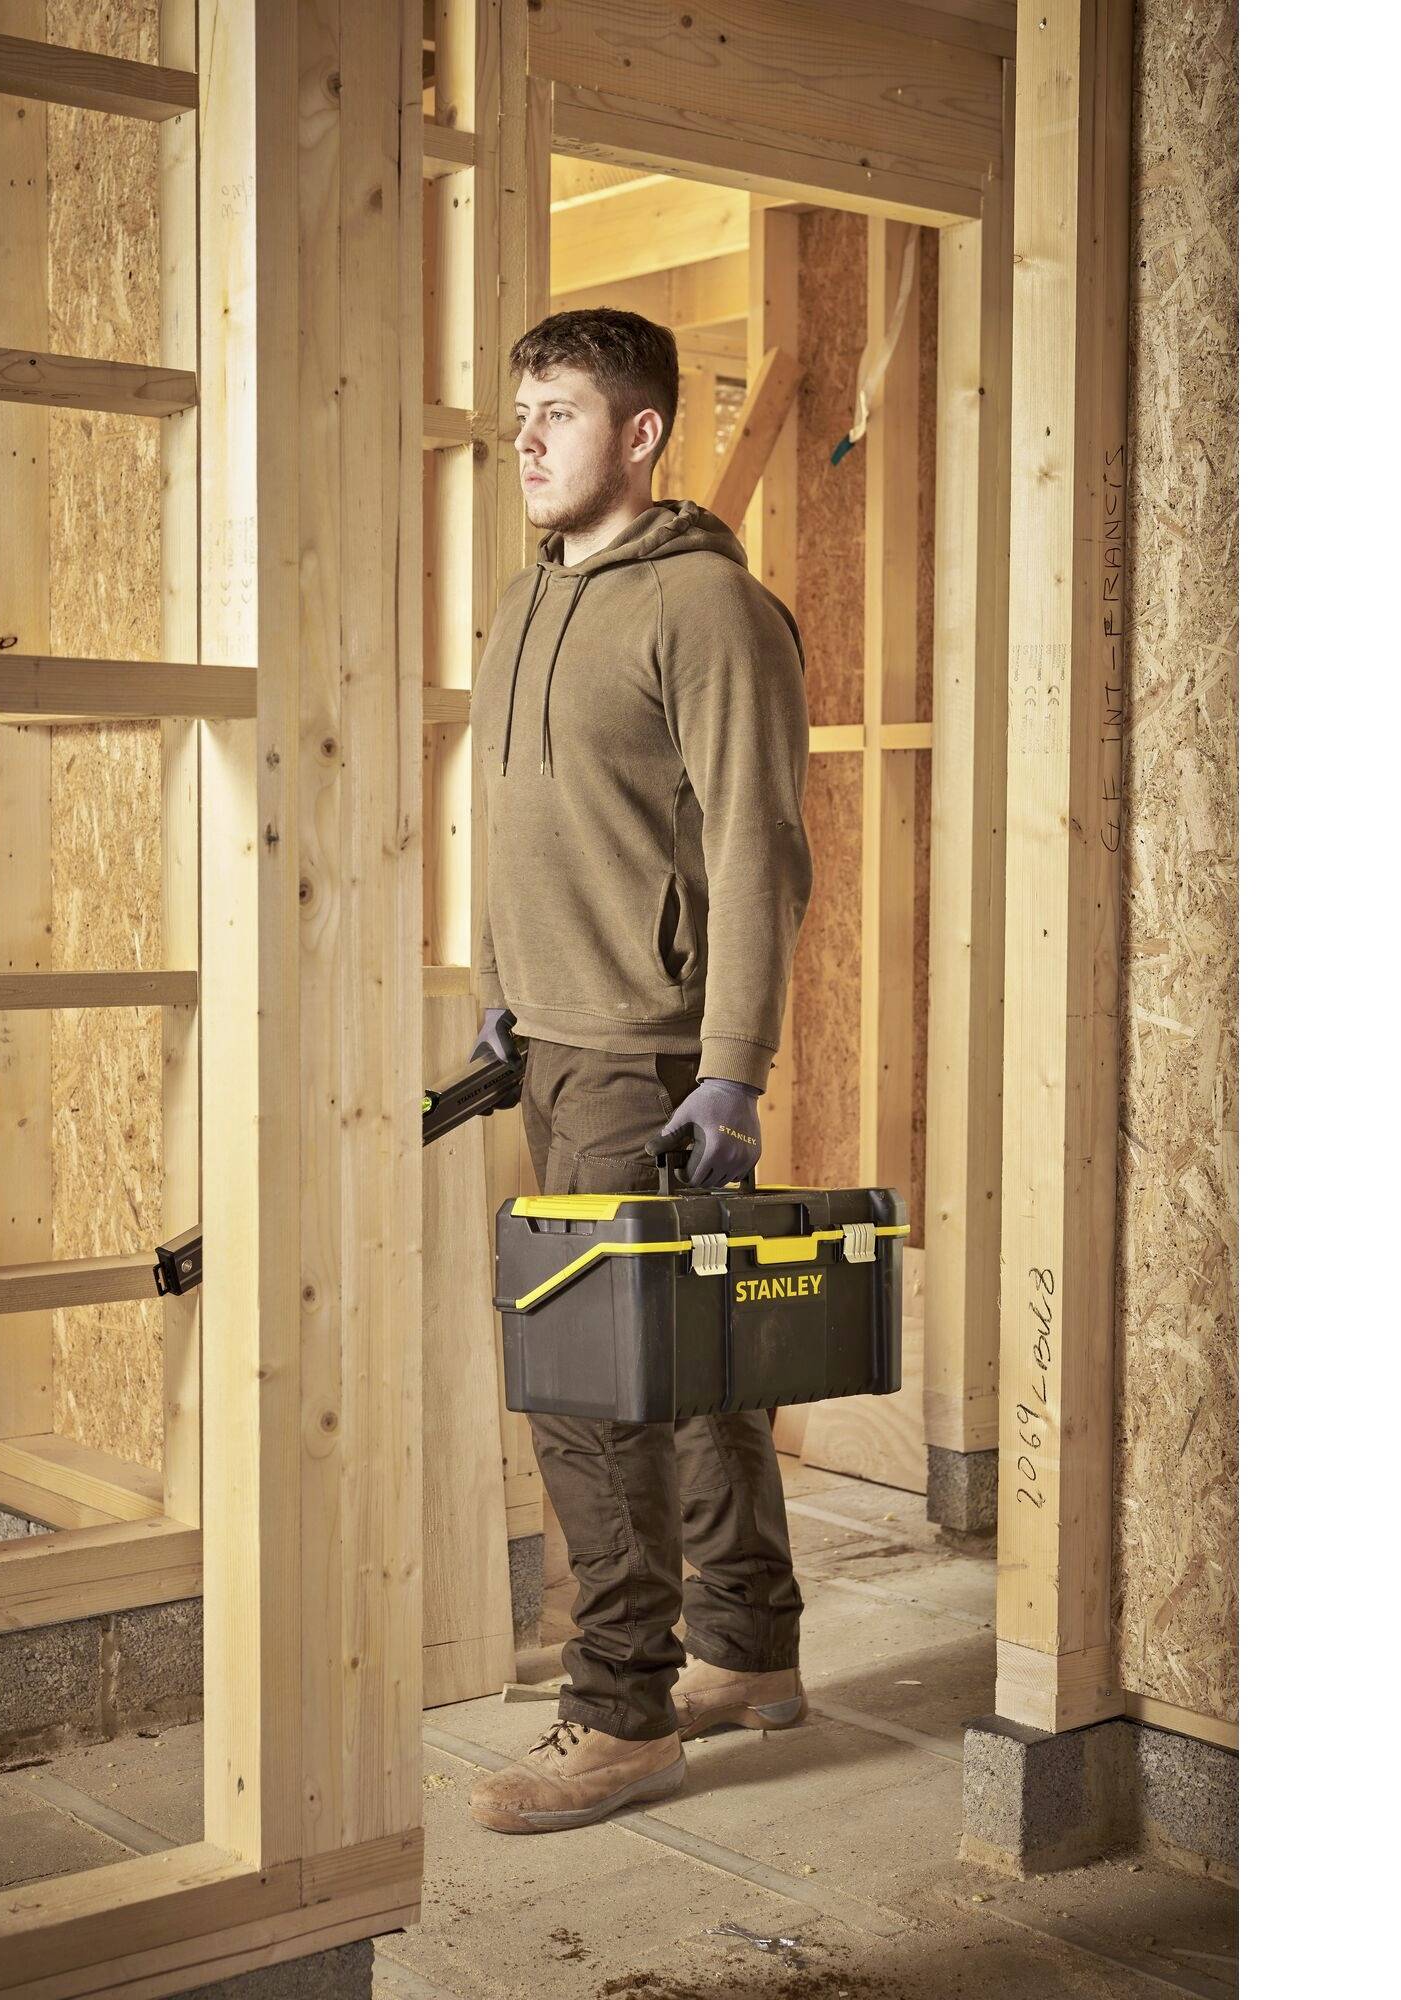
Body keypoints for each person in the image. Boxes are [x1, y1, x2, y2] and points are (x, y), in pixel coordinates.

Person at [464, 308, 814, 1836]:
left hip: (650, 1059)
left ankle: (621, 1711)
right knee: (697, 1363)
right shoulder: (531, 599)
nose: (527, 438)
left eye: (558, 410)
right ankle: (746, 1649)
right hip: (550, 1042)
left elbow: (756, 850)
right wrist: (496, 998)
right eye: (519, 413)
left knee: (590, 1386)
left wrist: (730, 1070)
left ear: (642, 431)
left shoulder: (707, 611)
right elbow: (518, 820)